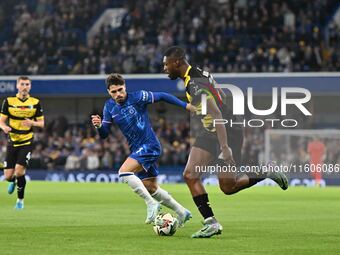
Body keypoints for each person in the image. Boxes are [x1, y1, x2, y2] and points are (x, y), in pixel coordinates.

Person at [163, 46, 289, 238]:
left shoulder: (194, 84)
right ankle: (211, 223)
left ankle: (266, 171)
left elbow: (218, 114)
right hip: (211, 129)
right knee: (190, 175)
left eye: (166, 64)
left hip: (227, 131)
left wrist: (225, 147)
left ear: (177, 62)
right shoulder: (197, 73)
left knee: (228, 187)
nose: (164, 68)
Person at [91, 73, 194, 225]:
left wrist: (186, 105)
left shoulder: (138, 97)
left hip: (149, 145)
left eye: (120, 90)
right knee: (151, 187)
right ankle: (182, 212)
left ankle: (151, 203)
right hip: (137, 149)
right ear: (108, 92)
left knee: (124, 172)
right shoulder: (109, 106)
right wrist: (99, 126)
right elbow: (104, 134)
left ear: (125, 86)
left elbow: (163, 96)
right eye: (114, 92)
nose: (118, 94)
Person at [0, 76, 44, 209]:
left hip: (27, 141)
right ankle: (12, 181)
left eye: (27, 84)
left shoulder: (35, 102)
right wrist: (4, 127)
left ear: (30, 86)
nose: (25, 87)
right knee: (8, 176)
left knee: (19, 172)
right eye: (22, 84)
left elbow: (42, 124)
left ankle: (20, 201)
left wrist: (32, 122)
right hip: (12, 141)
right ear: (17, 86)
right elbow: (1, 121)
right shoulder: (8, 101)